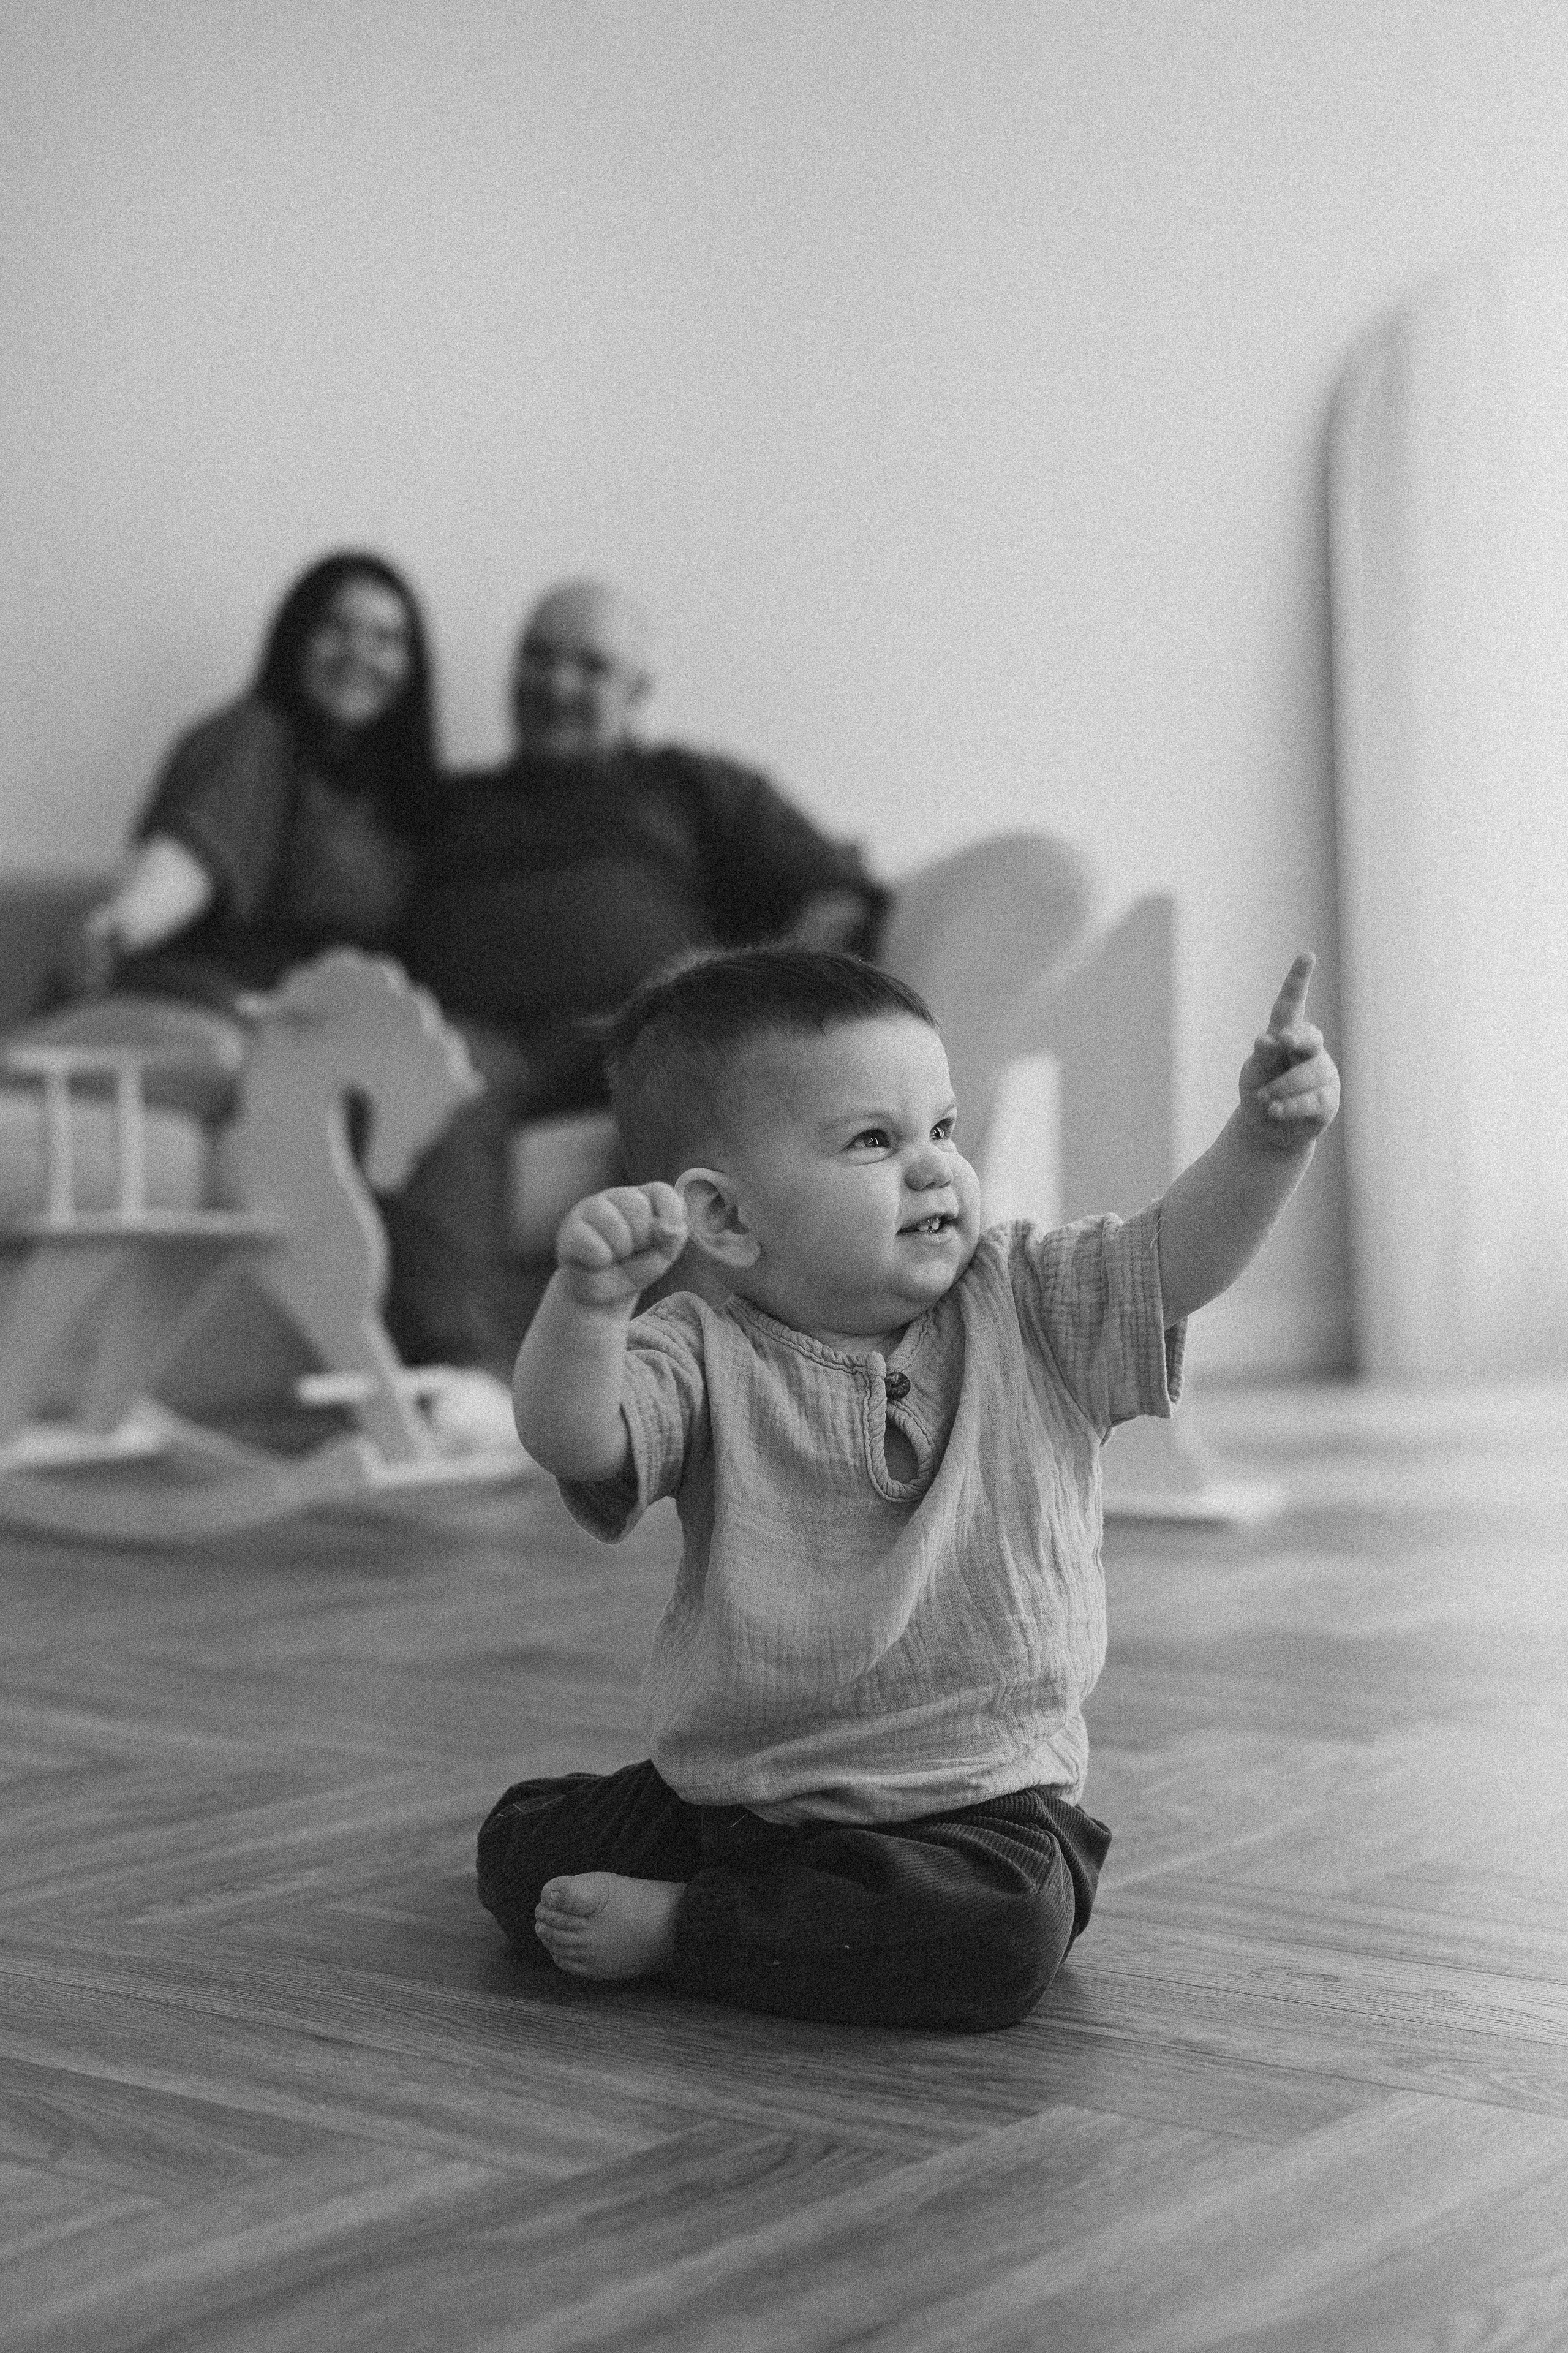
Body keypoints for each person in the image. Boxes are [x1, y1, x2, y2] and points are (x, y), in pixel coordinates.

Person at [478, 943, 1340, 2032]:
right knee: (518, 1847)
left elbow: (1179, 1257)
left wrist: (1266, 1140)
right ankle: (768, 1912)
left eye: (943, 1128)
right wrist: (590, 1307)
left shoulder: (1027, 1298)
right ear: (727, 1219)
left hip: (977, 1807)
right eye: (874, 1141)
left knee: (1001, 1932)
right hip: (741, 1794)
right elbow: (573, 1438)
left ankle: (693, 1928)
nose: (935, 1168)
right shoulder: (697, 1351)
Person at [383, 578, 889, 1409]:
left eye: (590, 666)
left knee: (689, 1089)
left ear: (637, 691)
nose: (557, 684)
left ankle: (678, 1386)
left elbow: (834, 890)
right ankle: (457, 1387)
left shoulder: (689, 786)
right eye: (539, 658)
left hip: (647, 1028)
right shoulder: (446, 807)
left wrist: (758, 996)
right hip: (478, 1041)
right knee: (431, 1085)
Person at [76, 551, 443, 1002]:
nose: (357, 654)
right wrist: (121, 927)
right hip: (195, 1002)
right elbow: (181, 869)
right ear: (296, 639)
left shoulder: (405, 791)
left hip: (329, 1022)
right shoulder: (251, 739)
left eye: (385, 639)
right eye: (336, 627)